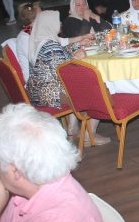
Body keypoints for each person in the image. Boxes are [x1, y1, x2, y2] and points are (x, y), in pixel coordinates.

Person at [27, 11, 109, 145]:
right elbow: (63, 73)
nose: (60, 23)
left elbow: (61, 53)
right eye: (57, 21)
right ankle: (89, 135)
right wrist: (75, 58)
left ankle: (72, 127)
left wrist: (79, 44)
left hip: (39, 89)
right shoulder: (50, 47)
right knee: (98, 90)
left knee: (82, 86)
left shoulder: (41, 40)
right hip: (50, 94)